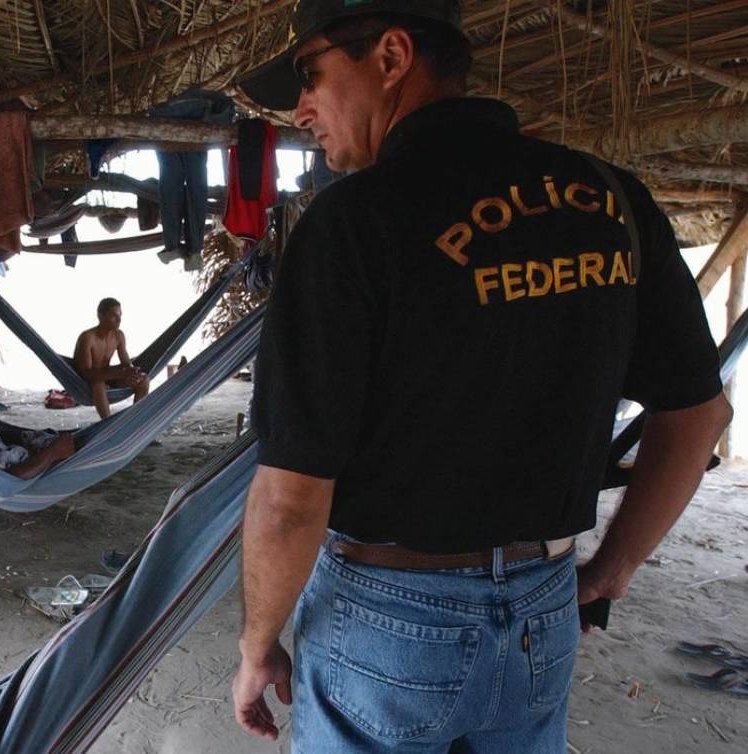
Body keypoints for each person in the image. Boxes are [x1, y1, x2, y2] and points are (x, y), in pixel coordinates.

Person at [231, 1, 732, 752]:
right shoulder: (611, 199)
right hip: (544, 608)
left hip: (387, 617)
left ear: (392, 57)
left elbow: (291, 501)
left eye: (312, 74)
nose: (301, 106)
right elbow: (698, 416)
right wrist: (612, 570)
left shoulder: (351, 224)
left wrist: (256, 645)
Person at [73, 297, 148, 419]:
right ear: (101, 316)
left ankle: (136, 419)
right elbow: (86, 373)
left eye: (120, 316)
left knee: (144, 379)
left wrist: (132, 372)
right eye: (114, 316)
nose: (119, 320)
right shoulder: (88, 338)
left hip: (108, 376)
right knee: (98, 383)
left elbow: (126, 363)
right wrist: (120, 374)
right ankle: (108, 425)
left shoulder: (118, 336)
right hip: (88, 381)